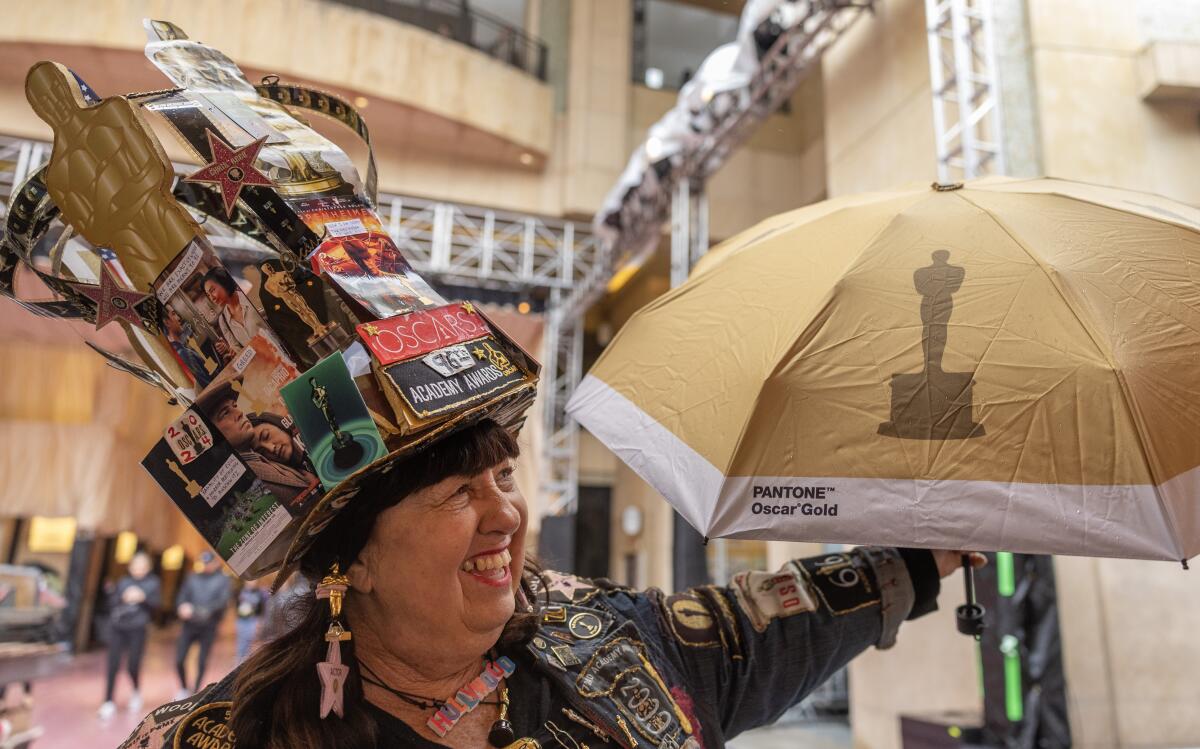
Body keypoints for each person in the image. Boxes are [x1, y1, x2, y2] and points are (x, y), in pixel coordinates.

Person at [125, 420, 980, 748]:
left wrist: (915, 554)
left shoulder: (604, 628)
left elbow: (757, 622)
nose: (504, 515)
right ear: (356, 563)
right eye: (460, 491)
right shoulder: (223, 737)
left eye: (505, 476)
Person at [196, 384, 320, 507]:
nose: (239, 413)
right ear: (210, 434)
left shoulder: (264, 459)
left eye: (235, 406)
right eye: (225, 413)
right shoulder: (238, 477)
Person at [98, 551, 160, 720]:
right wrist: (120, 596)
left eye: (142, 566)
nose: (138, 569)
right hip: (118, 627)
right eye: (135, 565)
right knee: (112, 664)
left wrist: (143, 597)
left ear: (147, 568)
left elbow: (156, 604)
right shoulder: (124, 582)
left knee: (132, 664)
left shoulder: (153, 583)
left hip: (137, 628)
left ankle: (135, 691)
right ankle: (108, 701)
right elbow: (112, 602)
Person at [174, 551, 231, 700]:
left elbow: (222, 602)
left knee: (201, 661)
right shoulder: (192, 578)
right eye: (203, 563)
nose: (205, 566)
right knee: (179, 659)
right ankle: (184, 687)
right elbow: (181, 597)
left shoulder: (223, 580)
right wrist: (181, 606)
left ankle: (196, 691)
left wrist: (199, 611)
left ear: (215, 563)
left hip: (208, 626)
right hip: (189, 625)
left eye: (208, 563)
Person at [202, 266, 264, 356]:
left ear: (224, 283)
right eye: (208, 295)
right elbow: (238, 351)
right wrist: (230, 350)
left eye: (212, 290)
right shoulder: (223, 320)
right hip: (263, 363)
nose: (212, 298)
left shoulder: (250, 297)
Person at [235, 579, 269, 663]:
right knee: (241, 643)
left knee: (250, 642)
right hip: (242, 620)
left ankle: (246, 662)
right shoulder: (240, 591)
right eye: (250, 581)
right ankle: (239, 662)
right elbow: (236, 605)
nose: (252, 583)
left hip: (253, 620)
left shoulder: (259, 593)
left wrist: (260, 621)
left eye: (253, 581)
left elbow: (262, 608)